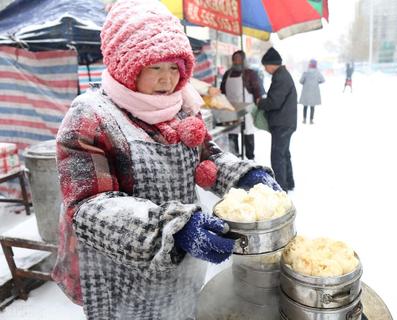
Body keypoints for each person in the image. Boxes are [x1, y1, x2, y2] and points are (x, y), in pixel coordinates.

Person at [51, 1, 281, 319]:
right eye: (155, 67)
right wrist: (171, 230)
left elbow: (206, 156)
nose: (167, 80)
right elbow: (89, 206)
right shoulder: (91, 116)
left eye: (175, 68)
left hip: (181, 267)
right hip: (122, 277)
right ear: (126, 66)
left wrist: (243, 176)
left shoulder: (180, 107)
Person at [258, 47, 297, 191]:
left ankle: (281, 188)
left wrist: (260, 103)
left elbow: (274, 102)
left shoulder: (281, 77)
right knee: (284, 154)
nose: (265, 69)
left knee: (277, 156)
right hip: (286, 122)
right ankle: (289, 182)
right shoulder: (282, 75)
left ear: (271, 64)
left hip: (282, 123)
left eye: (265, 66)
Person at [220, 50, 265, 160]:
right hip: (231, 108)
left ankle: (250, 158)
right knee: (232, 134)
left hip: (247, 108)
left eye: (239, 58)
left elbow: (258, 90)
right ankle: (235, 158)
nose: (236, 60)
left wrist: (258, 105)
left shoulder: (250, 74)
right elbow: (222, 90)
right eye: (234, 58)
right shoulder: (227, 73)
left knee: (248, 134)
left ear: (243, 60)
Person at [299, 59, 325, 124]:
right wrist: (317, 83)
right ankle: (311, 120)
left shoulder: (306, 72)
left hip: (306, 91)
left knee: (305, 105)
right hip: (314, 91)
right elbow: (323, 80)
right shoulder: (317, 72)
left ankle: (304, 119)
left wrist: (304, 83)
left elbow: (301, 81)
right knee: (312, 106)